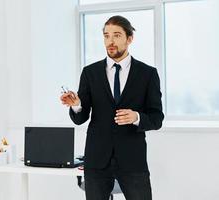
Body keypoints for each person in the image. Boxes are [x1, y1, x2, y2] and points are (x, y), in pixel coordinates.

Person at [60, 15, 164, 200]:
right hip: (97, 159)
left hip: (133, 159)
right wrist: (77, 105)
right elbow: (80, 118)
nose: (110, 41)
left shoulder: (147, 74)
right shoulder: (90, 73)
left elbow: (157, 118)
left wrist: (137, 117)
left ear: (129, 39)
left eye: (116, 35)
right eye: (106, 36)